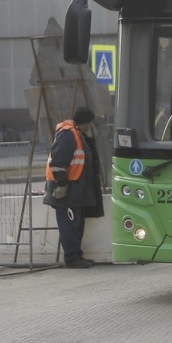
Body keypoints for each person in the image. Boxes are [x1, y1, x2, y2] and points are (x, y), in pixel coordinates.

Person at [43, 107, 104, 268]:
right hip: (66, 190)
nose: (91, 126)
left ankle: (76, 255)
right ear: (86, 122)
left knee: (75, 224)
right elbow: (58, 162)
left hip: (74, 190)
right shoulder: (67, 135)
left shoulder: (76, 134)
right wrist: (62, 185)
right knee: (69, 225)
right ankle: (71, 258)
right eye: (90, 123)